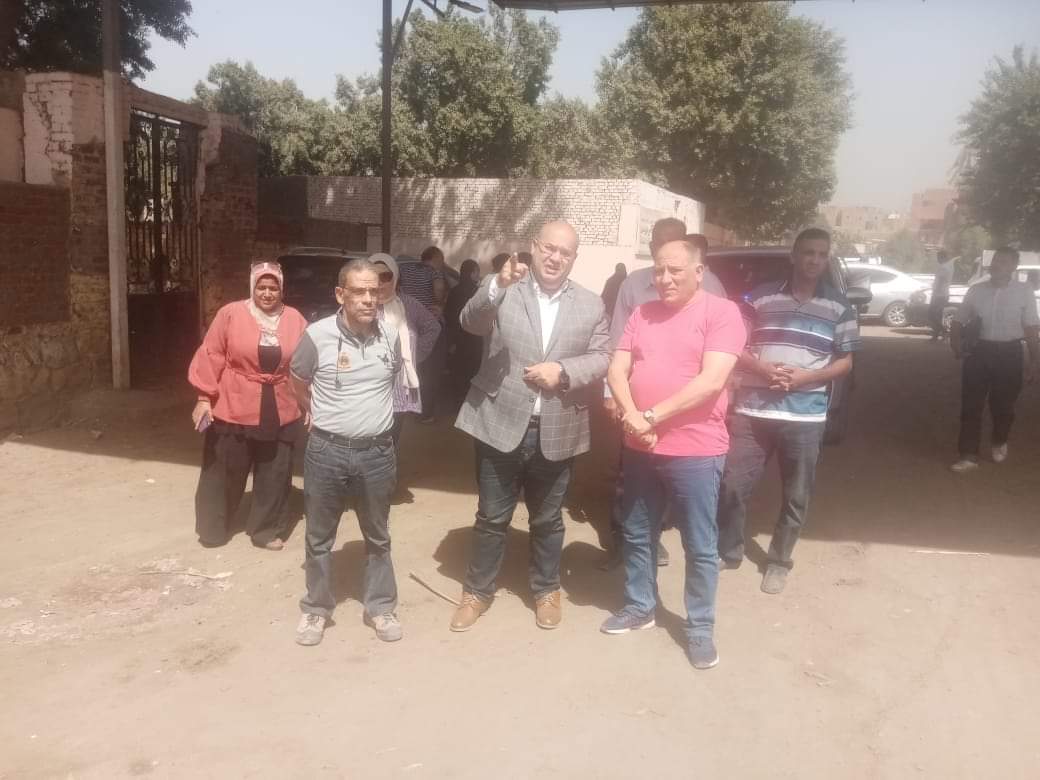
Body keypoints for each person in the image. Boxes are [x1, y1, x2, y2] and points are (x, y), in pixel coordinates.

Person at [449, 221, 611, 632]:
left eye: (565, 252)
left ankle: (545, 589)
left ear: (574, 258)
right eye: (549, 248)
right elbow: (469, 322)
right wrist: (496, 285)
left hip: (557, 425)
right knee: (491, 516)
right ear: (534, 247)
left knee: (548, 519)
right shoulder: (505, 287)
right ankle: (477, 591)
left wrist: (563, 371)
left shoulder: (591, 304)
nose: (555, 257)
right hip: (499, 419)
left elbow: (602, 356)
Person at [603, 238, 745, 670]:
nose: (664, 278)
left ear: (699, 273)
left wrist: (648, 415)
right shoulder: (642, 313)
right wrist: (633, 417)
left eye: (675, 271)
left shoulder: (722, 313)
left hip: (695, 450)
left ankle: (699, 627)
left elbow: (711, 382)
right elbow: (617, 368)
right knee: (637, 530)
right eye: (659, 270)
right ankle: (640, 605)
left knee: (699, 543)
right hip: (640, 445)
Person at [716, 228, 860, 595]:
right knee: (732, 485)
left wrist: (807, 378)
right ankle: (729, 551)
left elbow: (845, 362)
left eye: (822, 254)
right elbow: (735, 345)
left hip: (805, 416)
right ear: (793, 256)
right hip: (753, 411)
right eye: (808, 252)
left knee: (796, 495)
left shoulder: (840, 307)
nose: (814, 260)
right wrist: (762, 369)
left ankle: (779, 561)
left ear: (827, 259)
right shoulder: (760, 297)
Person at [599, 221, 726, 571]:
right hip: (636, 423)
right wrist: (619, 401)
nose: (666, 275)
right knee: (630, 495)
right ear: (652, 245)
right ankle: (625, 546)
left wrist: (650, 416)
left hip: (691, 433)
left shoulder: (713, 291)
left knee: (697, 535)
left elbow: (715, 369)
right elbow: (617, 350)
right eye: (659, 248)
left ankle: (661, 534)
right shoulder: (633, 288)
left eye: (675, 261)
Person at [290, 259, 403, 647]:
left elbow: (391, 379)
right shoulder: (316, 336)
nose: (369, 299)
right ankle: (316, 608)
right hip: (327, 452)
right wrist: (311, 409)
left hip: (377, 453)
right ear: (341, 295)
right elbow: (297, 379)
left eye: (375, 291)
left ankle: (380, 606)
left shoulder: (391, 335)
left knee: (378, 535)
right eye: (359, 291)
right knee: (319, 537)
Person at [188, 261, 308, 551]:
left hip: (280, 404)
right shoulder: (230, 313)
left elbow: (306, 363)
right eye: (261, 287)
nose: (267, 293)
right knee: (225, 468)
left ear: (281, 289)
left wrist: (310, 402)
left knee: (274, 472)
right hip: (234, 402)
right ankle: (214, 528)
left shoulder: (295, 319)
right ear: (252, 287)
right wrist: (204, 397)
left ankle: (265, 530)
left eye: (273, 288)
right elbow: (211, 353)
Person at [949, 247, 1039, 473]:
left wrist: (1034, 361)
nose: (997, 265)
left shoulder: (1024, 291)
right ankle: (968, 455)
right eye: (996, 260)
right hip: (979, 352)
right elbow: (959, 319)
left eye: (1004, 262)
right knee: (971, 405)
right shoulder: (976, 290)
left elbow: (1031, 328)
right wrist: (956, 342)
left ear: (1014, 267)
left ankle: (999, 439)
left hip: (1010, 354)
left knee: (1003, 406)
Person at [370, 253, 441, 450]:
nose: (380, 283)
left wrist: (415, 355)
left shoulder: (408, 305)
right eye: (374, 276)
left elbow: (433, 327)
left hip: (397, 388)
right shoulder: (361, 305)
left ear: (395, 277)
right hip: (366, 387)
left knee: (389, 443)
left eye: (386, 277)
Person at [399, 246, 448, 423]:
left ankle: (410, 405)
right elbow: (439, 289)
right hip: (428, 324)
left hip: (409, 324)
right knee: (431, 371)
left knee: (413, 367)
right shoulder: (435, 272)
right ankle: (426, 413)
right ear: (436, 258)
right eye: (442, 260)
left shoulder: (406, 269)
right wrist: (441, 303)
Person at [444, 258, 483, 402]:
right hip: (474, 338)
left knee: (458, 368)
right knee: (471, 369)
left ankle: (456, 397)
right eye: (477, 271)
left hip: (457, 338)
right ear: (471, 273)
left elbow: (448, 314)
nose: (478, 275)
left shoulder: (454, 291)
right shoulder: (477, 292)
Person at [930, 250, 954, 341]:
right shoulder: (949, 267)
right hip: (944, 294)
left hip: (939, 295)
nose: (938, 259)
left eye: (938, 257)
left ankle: (944, 332)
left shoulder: (943, 268)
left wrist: (935, 292)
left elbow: (940, 281)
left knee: (932, 314)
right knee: (938, 315)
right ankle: (936, 335)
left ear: (943, 257)